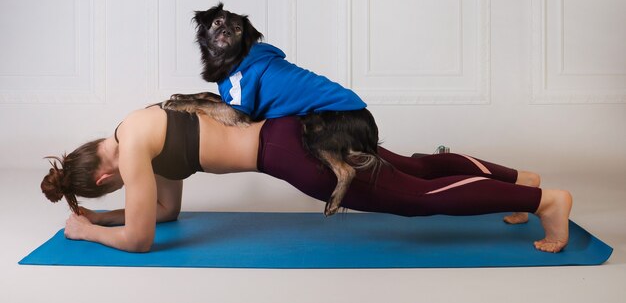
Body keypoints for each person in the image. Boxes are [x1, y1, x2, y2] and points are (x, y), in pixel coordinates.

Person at [41, 104, 573, 254]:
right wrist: (98, 215)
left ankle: (545, 200)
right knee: (412, 166)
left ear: (107, 171)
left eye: (112, 189)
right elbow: (162, 212)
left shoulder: (132, 150)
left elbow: (141, 238)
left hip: (291, 154)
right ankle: (519, 180)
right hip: (297, 129)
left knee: (413, 197)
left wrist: (88, 232)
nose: (123, 188)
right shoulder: (137, 125)